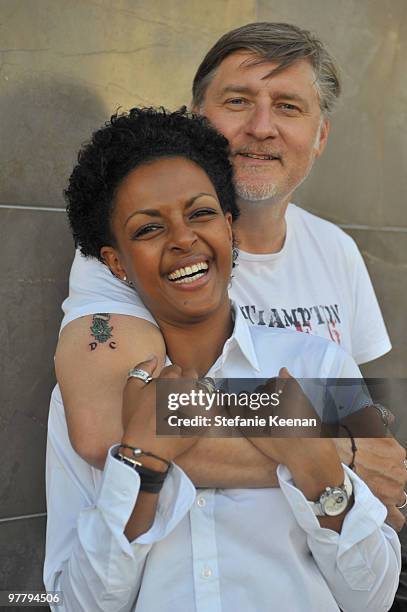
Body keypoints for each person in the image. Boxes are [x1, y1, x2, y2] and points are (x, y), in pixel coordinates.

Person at [54, 22, 407, 536]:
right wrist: (331, 463)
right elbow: (109, 431)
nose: (262, 127)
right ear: (200, 119)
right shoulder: (137, 258)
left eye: (288, 106)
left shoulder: (336, 250)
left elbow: (361, 418)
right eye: (239, 101)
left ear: (321, 136)